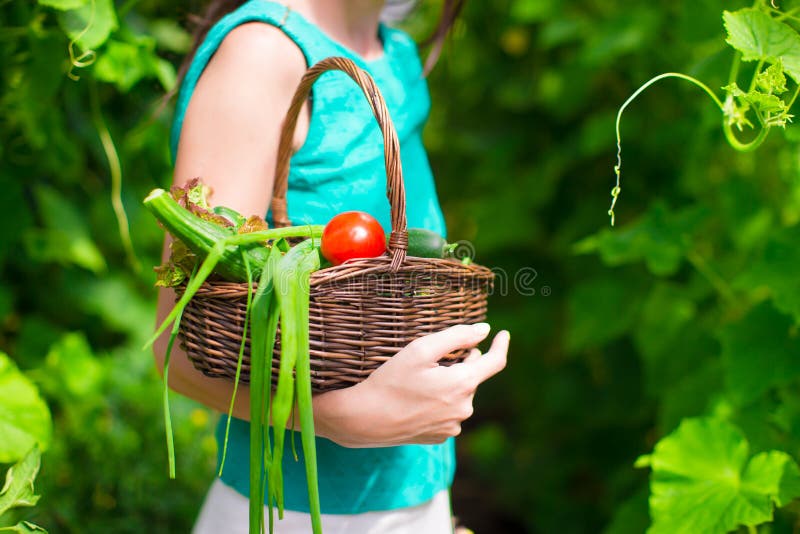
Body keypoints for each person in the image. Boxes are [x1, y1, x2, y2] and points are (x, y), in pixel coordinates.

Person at [153, 0, 510, 532]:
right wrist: (340, 418)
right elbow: (176, 349)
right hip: (297, 512)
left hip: (418, 505)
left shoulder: (398, 53)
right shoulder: (262, 55)